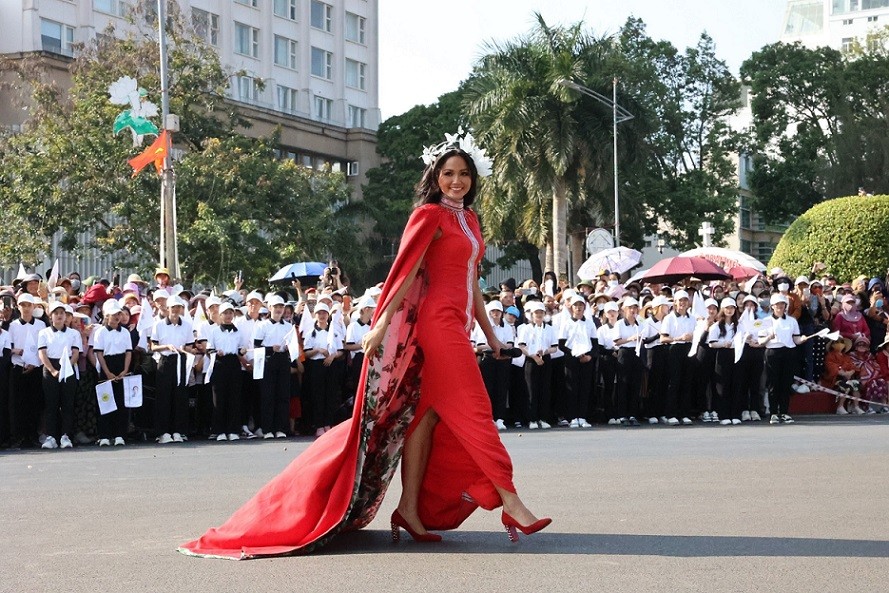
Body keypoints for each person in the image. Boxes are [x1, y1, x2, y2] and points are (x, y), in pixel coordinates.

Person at [180, 139, 549, 559]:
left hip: (459, 327)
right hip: (436, 325)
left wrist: (492, 334)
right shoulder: (428, 215)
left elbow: (471, 283)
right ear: (434, 177)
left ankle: (409, 509)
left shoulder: (469, 220)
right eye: (448, 173)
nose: (457, 181)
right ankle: (510, 500)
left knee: (423, 419)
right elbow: (405, 272)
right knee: (475, 410)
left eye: (464, 174)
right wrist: (383, 324)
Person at [149, 296, 195, 444]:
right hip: (165, 361)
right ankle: (163, 432)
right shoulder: (159, 325)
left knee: (180, 397)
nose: (175, 310)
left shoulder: (187, 325)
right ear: (168, 309)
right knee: (164, 397)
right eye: (173, 307)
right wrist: (166, 346)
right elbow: (153, 346)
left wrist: (185, 349)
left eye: (178, 307)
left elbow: (190, 346)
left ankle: (178, 431)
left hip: (181, 360)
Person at [760, 294, 810, 424]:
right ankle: (773, 413)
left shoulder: (792, 321)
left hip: (788, 353)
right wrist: (769, 337)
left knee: (786, 384)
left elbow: (796, 339)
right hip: (772, 352)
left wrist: (802, 339)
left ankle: (784, 412)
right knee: (773, 384)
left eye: (782, 305)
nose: (780, 307)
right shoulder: (766, 321)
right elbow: (761, 341)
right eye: (777, 305)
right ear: (772, 306)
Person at [36, 302, 80, 449]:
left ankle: (65, 436)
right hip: (50, 369)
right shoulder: (44, 332)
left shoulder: (74, 333)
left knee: (67, 404)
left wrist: (66, 368)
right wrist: (53, 370)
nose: (60, 316)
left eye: (63, 313)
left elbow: (75, 353)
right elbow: (42, 354)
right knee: (51, 405)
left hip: (68, 368)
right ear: (51, 316)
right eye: (57, 313)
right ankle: (51, 437)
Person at [93, 299, 132, 446]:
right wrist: (107, 372)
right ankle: (104, 435)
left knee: (121, 402)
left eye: (118, 314)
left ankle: (119, 434)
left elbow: (128, 352)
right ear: (106, 315)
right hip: (106, 366)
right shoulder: (100, 332)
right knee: (106, 401)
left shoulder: (125, 332)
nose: (116, 317)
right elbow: (99, 354)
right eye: (113, 314)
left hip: (121, 364)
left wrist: (125, 370)